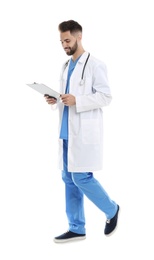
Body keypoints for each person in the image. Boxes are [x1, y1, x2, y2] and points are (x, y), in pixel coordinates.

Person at [45, 20, 119, 243]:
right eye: (61, 41)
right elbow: (66, 98)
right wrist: (55, 99)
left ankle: (112, 209)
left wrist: (78, 100)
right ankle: (76, 227)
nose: (64, 45)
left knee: (81, 177)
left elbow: (106, 96)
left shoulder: (96, 65)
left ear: (79, 37)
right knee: (68, 178)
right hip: (67, 132)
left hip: (84, 133)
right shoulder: (66, 66)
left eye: (67, 40)